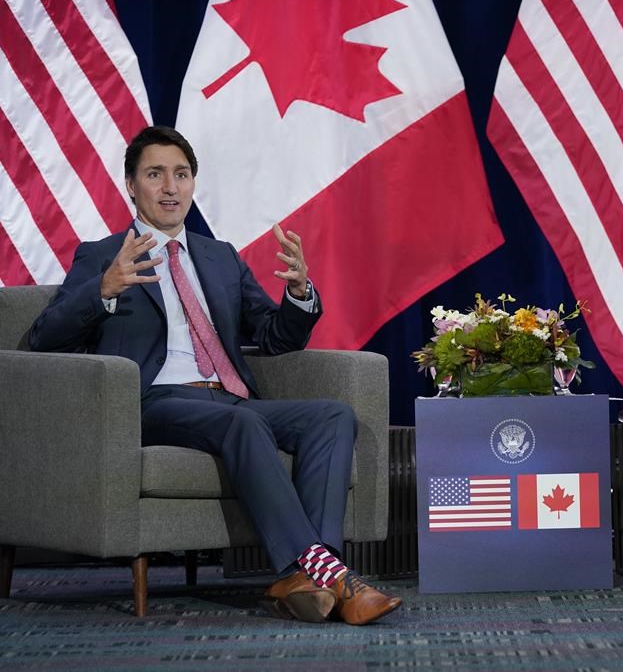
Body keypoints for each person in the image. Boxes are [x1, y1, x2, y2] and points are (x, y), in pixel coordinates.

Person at [29, 126, 401, 625]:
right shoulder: (101, 255)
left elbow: (273, 337)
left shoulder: (219, 257)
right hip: (155, 402)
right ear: (131, 186)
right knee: (244, 423)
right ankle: (335, 576)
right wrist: (103, 289)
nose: (170, 187)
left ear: (192, 183)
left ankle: (309, 579)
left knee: (333, 417)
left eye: (181, 174)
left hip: (229, 399)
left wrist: (299, 294)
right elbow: (44, 339)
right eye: (155, 175)